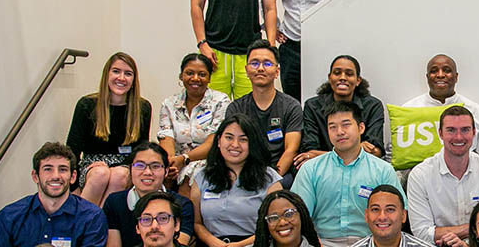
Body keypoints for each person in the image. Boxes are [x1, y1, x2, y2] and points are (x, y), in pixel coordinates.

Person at [187, 114, 282, 247]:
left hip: (254, 245)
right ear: (218, 141)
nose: (235, 145)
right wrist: (214, 243)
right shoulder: (202, 177)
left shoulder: (269, 179)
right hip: (211, 245)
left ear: (253, 143)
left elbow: (274, 226)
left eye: (243, 139)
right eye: (229, 137)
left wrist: (237, 246)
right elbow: (196, 223)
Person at [290, 100, 402, 247]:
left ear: (361, 127)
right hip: (321, 245)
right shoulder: (311, 169)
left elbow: (396, 217)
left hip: (371, 245)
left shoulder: (382, 170)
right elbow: (298, 217)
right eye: (332, 127)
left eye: (346, 124)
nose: (339, 132)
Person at [407, 105, 479, 247]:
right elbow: (422, 233)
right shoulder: (420, 175)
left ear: (474, 133)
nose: (459, 137)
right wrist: (471, 230)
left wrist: (464, 233)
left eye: (465, 130)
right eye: (451, 130)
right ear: (440, 133)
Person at [66, 52, 151, 206]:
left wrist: (119, 166)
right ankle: (82, 222)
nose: (121, 78)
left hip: (125, 164)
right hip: (92, 164)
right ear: (107, 74)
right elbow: (72, 149)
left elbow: (141, 149)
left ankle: (100, 225)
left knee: (118, 175)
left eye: (128, 73)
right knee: (100, 174)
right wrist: (73, 187)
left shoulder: (142, 108)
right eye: (116, 71)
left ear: (134, 80)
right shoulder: (87, 105)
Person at [403, 54, 479, 165]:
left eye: (447, 70)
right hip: (421, 178)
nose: (440, 75)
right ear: (427, 77)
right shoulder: (407, 110)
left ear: (456, 77)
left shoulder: (476, 112)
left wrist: (474, 168)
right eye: (434, 71)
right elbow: (397, 157)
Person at [102, 143, 195, 247]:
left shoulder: (182, 205)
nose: (147, 172)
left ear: (166, 171)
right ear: (130, 169)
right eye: (140, 165)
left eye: (155, 166)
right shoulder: (114, 202)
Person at [223, 39, 303, 176]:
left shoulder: (291, 106)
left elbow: (291, 150)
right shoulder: (235, 108)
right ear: (247, 70)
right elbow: (233, 148)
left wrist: (271, 180)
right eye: (254, 63)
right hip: (244, 172)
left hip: (280, 174)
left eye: (267, 63)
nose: (260, 68)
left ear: (277, 71)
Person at [157, 52, 231, 191]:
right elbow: (166, 138)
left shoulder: (220, 101)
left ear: (209, 78)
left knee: (191, 174)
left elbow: (214, 142)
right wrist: (171, 162)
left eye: (202, 74)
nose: (195, 78)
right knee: (160, 172)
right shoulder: (169, 104)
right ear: (181, 76)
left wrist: (185, 159)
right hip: (176, 161)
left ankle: (188, 213)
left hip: (209, 160)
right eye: (189, 73)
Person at [296, 55, 386, 165]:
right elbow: (309, 151)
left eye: (349, 74)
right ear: (330, 78)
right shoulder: (313, 106)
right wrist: (356, 150)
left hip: (362, 166)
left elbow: (376, 152)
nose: (342, 77)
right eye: (337, 73)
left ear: (358, 80)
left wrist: (322, 155)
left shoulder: (372, 106)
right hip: (324, 167)